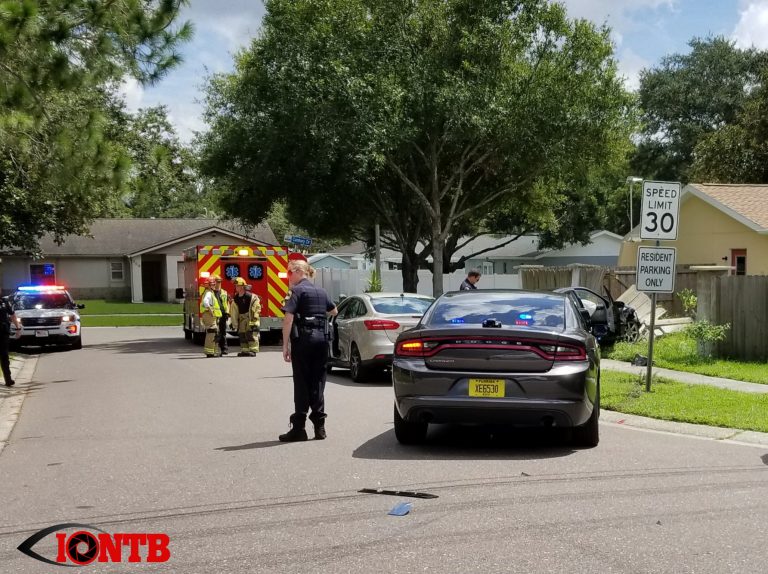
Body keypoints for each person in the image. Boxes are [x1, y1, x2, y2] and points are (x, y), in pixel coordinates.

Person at [279, 260, 337, 442]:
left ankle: (299, 429)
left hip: (303, 341)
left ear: (297, 271)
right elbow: (334, 311)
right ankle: (320, 428)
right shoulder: (321, 291)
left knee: (302, 382)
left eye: (289, 273)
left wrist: (285, 345)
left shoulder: (296, 291)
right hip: (321, 341)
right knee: (318, 382)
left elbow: (288, 320)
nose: (288, 277)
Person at [230, 277, 261, 356]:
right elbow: (234, 311)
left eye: (237, 286)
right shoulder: (236, 298)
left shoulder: (250, 296)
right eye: (236, 286)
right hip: (241, 318)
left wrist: (255, 318)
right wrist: (233, 322)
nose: (236, 287)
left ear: (242, 286)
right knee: (242, 334)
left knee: (250, 334)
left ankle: (253, 350)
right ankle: (245, 351)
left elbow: (256, 307)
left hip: (249, 317)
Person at [1, 294, 23, 386]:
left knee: (4, 356)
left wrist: (18, 328)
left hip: (3, 333)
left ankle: (8, 379)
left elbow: (13, 315)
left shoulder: (4, 302)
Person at [200, 276, 223, 357]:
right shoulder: (209, 293)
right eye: (212, 284)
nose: (214, 285)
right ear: (208, 285)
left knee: (213, 332)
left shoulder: (208, 292)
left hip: (209, 316)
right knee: (212, 332)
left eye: (214, 284)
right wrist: (211, 312)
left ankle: (212, 351)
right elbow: (205, 302)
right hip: (209, 316)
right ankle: (210, 352)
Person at [212, 275, 230, 356]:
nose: (218, 283)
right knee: (214, 332)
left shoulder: (224, 292)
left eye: (219, 281)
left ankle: (224, 349)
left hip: (222, 315)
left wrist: (227, 313)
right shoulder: (210, 292)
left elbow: (227, 304)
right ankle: (214, 349)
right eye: (216, 281)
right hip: (213, 315)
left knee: (223, 332)